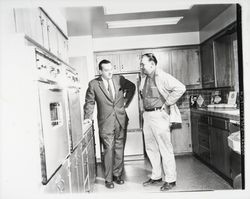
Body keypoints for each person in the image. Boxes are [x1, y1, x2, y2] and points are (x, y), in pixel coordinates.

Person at [83, 59, 135, 189]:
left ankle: (117, 175)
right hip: (105, 122)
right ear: (100, 71)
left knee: (119, 149)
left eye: (111, 69)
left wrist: (126, 101)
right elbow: (89, 102)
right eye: (106, 70)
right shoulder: (94, 84)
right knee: (108, 150)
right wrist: (88, 117)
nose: (110, 72)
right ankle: (108, 179)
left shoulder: (119, 79)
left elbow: (132, 87)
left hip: (120, 120)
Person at [139, 53, 186, 191]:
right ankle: (156, 176)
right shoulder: (144, 78)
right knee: (151, 147)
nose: (141, 66)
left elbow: (180, 88)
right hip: (147, 116)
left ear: (152, 64)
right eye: (141, 64)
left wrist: (167, 104)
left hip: (159, 114)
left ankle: (170, 180)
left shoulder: (163, 76)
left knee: (165, 148)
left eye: (143, 64)